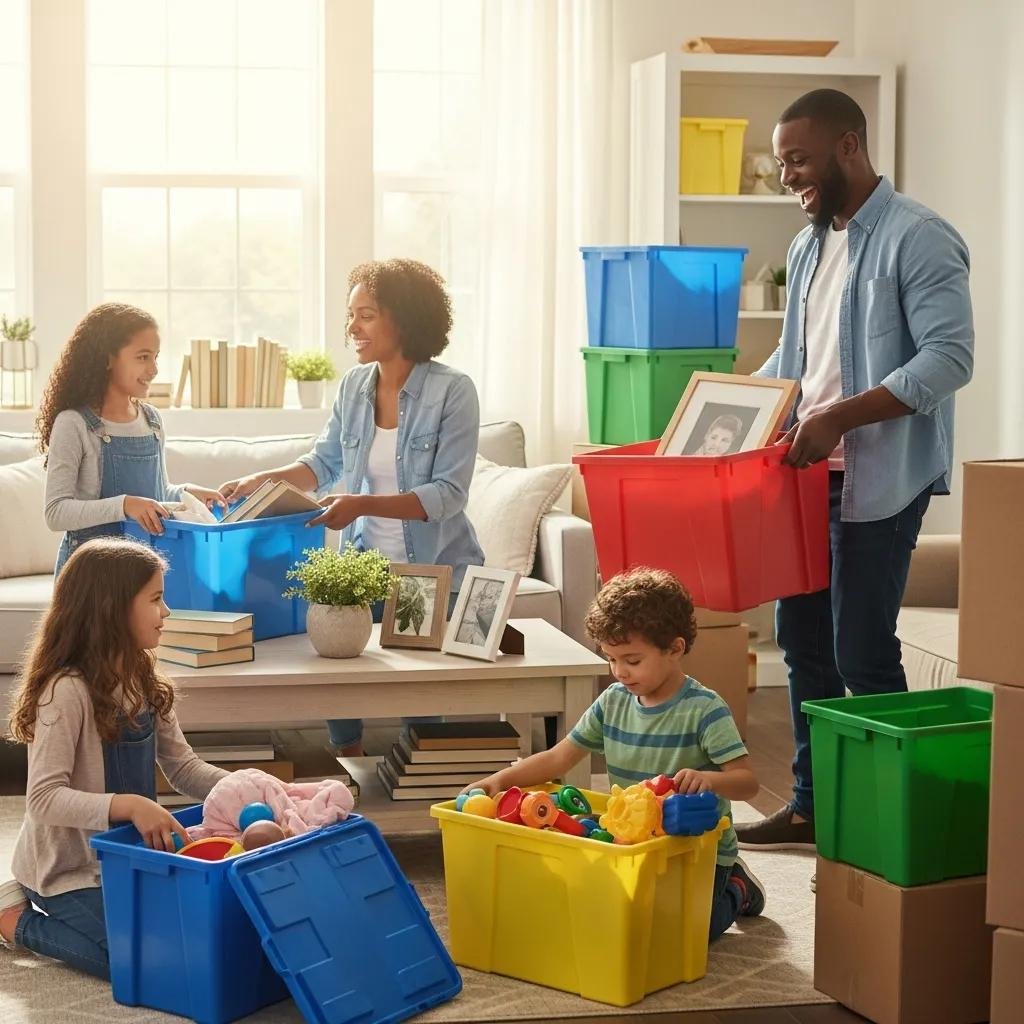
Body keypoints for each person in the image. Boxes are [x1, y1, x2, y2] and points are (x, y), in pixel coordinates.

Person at [736, 89, 974, 853]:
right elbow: (798, 362)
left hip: (880, 480)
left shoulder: (920, 236)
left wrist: (838, 417)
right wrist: (727, 404)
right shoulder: (809, 245)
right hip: (804, 477)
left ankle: (895, 820)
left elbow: (948, 359)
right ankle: (812, 806)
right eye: (781, 163)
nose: (787, 177)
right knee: (800, 639)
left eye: (798, 160)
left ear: (848, 147)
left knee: (860, 650)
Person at [219, 259, 485, 757]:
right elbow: (323, 462)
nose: (352, 328)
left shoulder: (453, 391)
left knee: (419, 692)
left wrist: (359, 502)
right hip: (364, 566)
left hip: (429, 572)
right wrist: (263, 479)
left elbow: (448, 495)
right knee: (335, 665)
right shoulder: (353, 387)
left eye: (366, 314)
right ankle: (350, 764)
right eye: (351, 315)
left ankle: (419, 784)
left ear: (402, 319)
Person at [463, 568, 766, 941]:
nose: (619, 672)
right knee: (609, 917)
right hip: (630, 843)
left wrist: (711, 779)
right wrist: (500, 780)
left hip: (694, 851)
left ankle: (736, 885)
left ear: (675, 649)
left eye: (632, 660)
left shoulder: (704, 710)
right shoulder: (613, 701)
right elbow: (560, 757)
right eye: (611, 659)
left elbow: (747, 782)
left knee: (686, 932)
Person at [0, 539, 229, 978]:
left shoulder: (143, 676)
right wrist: (130, 804)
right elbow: (43, 798)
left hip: (124, 859)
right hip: (67, 871)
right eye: (156, 599)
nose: (167, 612)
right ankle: (13, 920)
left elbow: (183, 767)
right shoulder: (65, 691)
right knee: (144, 964)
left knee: (197, 939)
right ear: (112, 609)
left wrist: (247, 784)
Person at [39, 303, 225, 573]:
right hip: (89, 574)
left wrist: (185, 493)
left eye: (156, 357)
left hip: (142, 570)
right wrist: (124, 505)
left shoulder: (151, 420)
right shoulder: (74, 423)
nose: (154, 369)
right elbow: (56, 512)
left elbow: (155, 494)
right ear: (107, 358)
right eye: (143, 357)